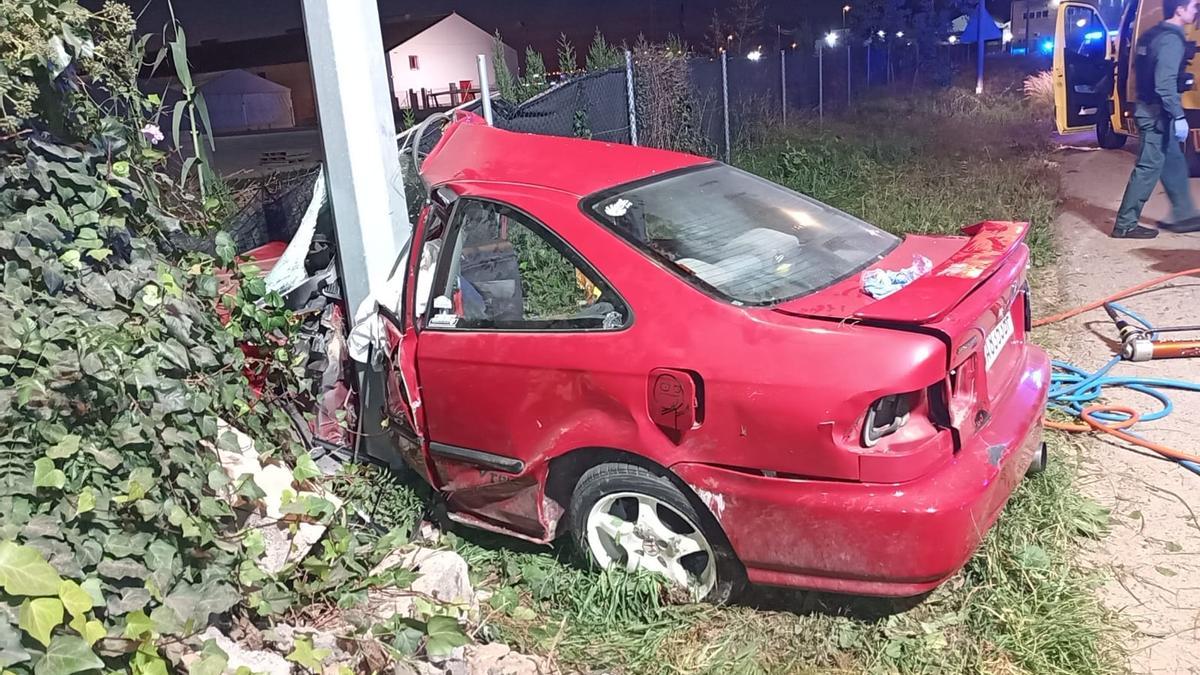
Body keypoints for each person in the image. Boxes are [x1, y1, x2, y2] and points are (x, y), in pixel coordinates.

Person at [1113, 0, 1200, 239]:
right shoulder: (1171, 39)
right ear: (1180, 10)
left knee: (1173, 161)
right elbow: (1163, 84)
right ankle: (1125, 224)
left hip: (1151, 109)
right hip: (1155, 114)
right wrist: (1179, 115)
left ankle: (1184, 214)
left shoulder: (1152, 34)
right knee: (1148, 167)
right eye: (1194, 7)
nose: (1197, 11)